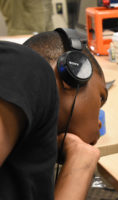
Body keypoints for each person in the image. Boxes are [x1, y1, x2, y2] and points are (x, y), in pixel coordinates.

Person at [0, 28, 108, 199]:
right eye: (101, 99)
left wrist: (80, 157)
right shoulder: (27, 68)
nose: (99, 124)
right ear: (73, 77)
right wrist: (83, 162)